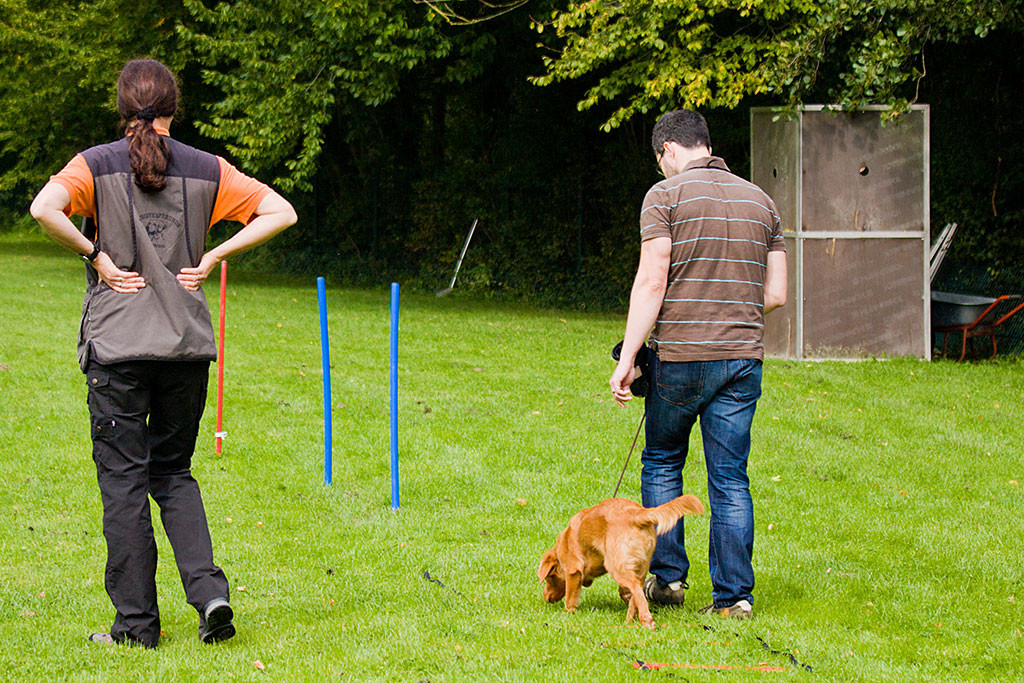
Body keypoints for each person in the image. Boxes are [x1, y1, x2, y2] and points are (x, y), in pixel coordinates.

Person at [29, 59, 297, 647]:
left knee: (124, 482)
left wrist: (95, 255)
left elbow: (43, 210)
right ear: (175, 107)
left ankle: (136, 628)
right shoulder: (208, 169)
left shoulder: (93, 165)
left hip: (118, 350)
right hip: (185, 349)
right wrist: (213, 256)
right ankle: (209, 594)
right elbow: (283, 211)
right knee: (174, 473)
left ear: (122, 108)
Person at [609, 109, 786, 620]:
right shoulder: (763, 201)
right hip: (741, 360)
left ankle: (668, 581)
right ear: (706, 145)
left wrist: (628, 357)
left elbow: (651, 279)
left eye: (659, 160)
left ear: (666, 150)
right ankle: (735, 598)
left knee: (663, 461)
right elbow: (774, 293)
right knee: (730, 478)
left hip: (681, 359)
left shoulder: (663, 197)